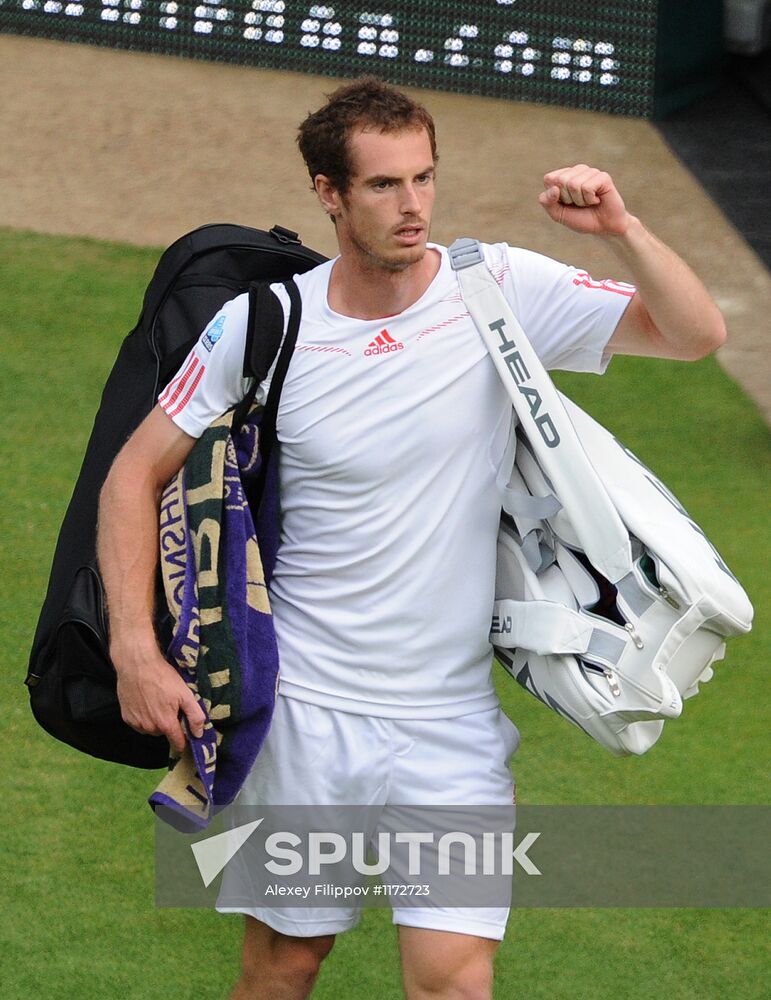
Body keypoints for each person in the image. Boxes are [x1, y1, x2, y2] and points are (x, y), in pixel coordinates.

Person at [97, 77, 726, 999]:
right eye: (385, 185)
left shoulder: (495, 289)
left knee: (453, 982)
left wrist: (623, 231)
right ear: (328, 192)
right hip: (304, 717)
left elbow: (694, 334)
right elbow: (132, 473)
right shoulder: (268, 325)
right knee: (282, 968)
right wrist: (132, 650)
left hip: (450, 728)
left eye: (424, 179)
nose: (413, 206)